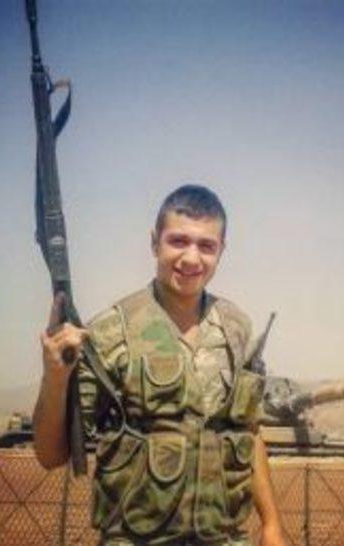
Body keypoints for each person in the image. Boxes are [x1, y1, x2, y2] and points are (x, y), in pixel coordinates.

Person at [33, 185, 286, 545]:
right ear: (155, 243)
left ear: (221, 251)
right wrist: (56, 377)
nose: (191, 258)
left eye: (206, 246)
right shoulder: (109, 332)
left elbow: (248, 431)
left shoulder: (236, 328)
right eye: (178, 241)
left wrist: (272, 524)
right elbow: (50, 455)